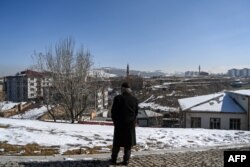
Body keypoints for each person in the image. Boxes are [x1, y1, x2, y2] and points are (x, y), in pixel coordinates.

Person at [110, 82, 138, 165]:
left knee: (117, 144)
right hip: (130, 125)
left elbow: (113, 112)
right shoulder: (134, 99)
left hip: (119, 124)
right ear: (129, 90)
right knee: (128, 144)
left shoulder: (118, 98)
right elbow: (136, 113)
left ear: (122, 89)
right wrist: (132, 121)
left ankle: (113, 159)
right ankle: (126, 160)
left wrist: (115, 122)